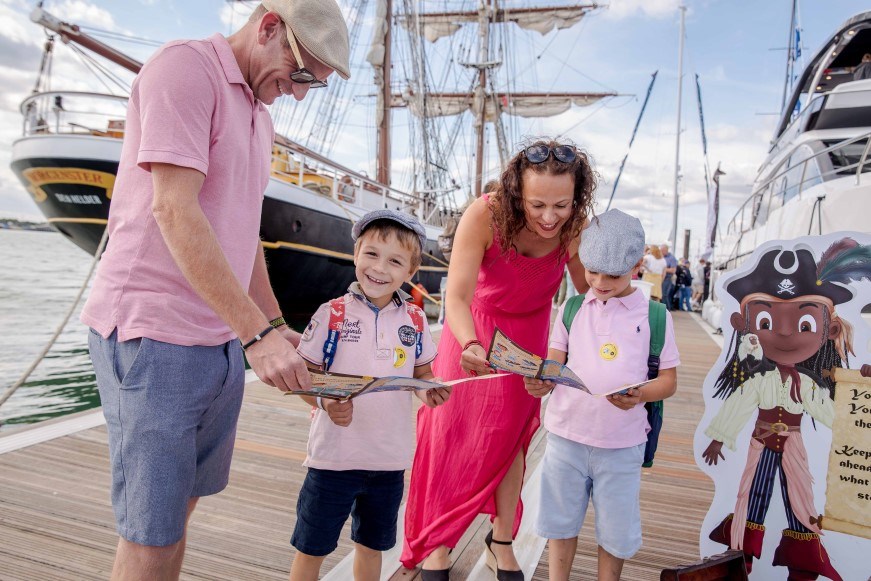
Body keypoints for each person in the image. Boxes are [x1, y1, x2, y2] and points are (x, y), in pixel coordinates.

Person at [80, 2, 350, 579]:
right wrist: (256, 337)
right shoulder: (185, 70)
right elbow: (174, 210)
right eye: (300, 74)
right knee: (149, 532)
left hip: (218, 340)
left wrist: (275, 329)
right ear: (269, 25)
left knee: (178, 513)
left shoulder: (259, 113)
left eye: (313, 86)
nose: (299, 93)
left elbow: (242, 228)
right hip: (153, 335)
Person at [401, 139, 596, 580]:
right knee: (446, 433)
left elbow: (587, 300)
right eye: (537, 204)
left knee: (510, 441)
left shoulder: (576, 227)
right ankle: (437, 541)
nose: (550, 217)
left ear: (577, 197)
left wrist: (567, 360)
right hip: (472, 327)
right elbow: (456, 296)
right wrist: (469, 343)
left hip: (529, 336)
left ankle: (501, 539)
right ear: (516, 195)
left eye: (561, 205)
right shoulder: (483, 215)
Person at [288, 210, 450, 581]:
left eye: (395, 261)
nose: (379, 268)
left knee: (372, 546)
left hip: (388, 461)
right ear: (356, 253)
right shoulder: (332, 313)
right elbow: (303, 377)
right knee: (312, 548)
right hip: (332, 460)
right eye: (371, 254)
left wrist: (429, 391)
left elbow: (421, 373)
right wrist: (325, 402)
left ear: (411, 272)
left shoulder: (414, 319)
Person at [523, 209, 680, 581]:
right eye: (592, 271)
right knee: (560, 524)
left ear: (637, 265)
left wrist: (639, 393)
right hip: (566, 437)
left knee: (616, 531)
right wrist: (542, 379)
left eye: (613, 274)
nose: (600, 281)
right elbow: (555, 362)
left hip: (622, 445)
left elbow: (669, 381)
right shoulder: (573, 307)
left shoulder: (655, 315)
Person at [702, 240, 871, 579]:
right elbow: (738, 404)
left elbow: (827, 412)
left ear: (831, 330)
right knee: (753, 495)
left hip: (792, 445)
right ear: (741, 324)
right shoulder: (759, 381)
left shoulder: (807, 384)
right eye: (765, 322)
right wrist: (719, 438)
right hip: (761, 443)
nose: (783, 333)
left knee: (800, 499)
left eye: (805, 324)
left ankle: (803, 565)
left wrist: (859, 403)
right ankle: (742, 559)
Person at [660, 244, 678, 311]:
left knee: (664, 295)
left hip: (667, 278)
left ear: (666, 250)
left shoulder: (671, 258)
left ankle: (667, 310)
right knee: (660, 295)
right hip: (660, 277)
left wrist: (663, 269)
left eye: (662, 250)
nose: (661, 252)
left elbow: (673, 270)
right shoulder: (660, 257)